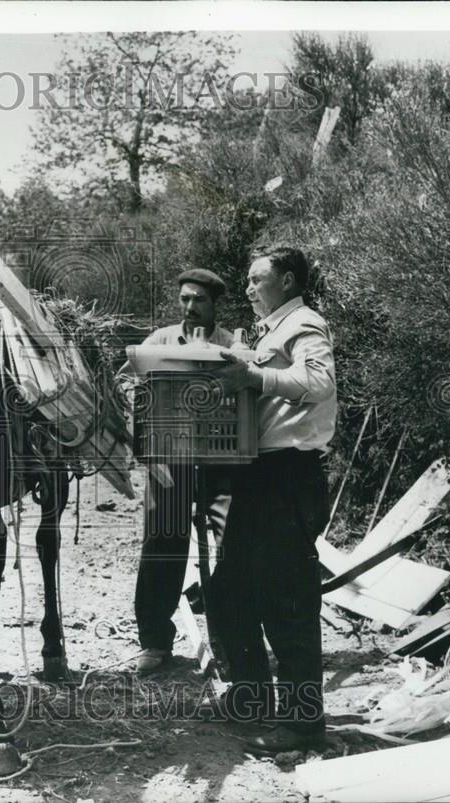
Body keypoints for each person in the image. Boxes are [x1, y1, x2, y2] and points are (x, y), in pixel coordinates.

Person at [212, 246, 337, 754]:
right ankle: (252, 700)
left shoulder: (305, 323)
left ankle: (303, 726)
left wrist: (254, 376)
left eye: (256, 278)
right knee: (233, 590)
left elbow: (320, 382)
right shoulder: (269, 332)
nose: (247, 288)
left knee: (288, 602)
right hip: (261, 475)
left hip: (288, 475)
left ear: (286, 281)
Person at [127, 268, 235, 675]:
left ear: (214, 305)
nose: (191, 307)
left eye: (200, 300)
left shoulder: (232, 345)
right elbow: (134, 393)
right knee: (162, 543)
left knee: (228, 548)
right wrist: (146, 452)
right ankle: (155, 642)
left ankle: (228, 641)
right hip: (169, 459)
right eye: (185, 299)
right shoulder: (158, 342)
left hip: (220, 458)